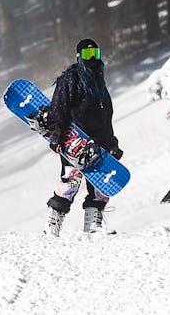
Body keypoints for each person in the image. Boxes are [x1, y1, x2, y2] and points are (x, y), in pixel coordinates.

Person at [44, 38, 122, 235]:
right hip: (75, 141)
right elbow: (58, 108)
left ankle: (93, 227)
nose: (92, 59)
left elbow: (106, 116)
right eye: (87, 55)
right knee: (71, 180)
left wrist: (111, 143)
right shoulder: (71, 79)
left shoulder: (99, 83)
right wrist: (56, 135)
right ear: (79, 57)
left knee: (100, 185)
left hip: (98, 142)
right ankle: (52, 227)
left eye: (95, 54)